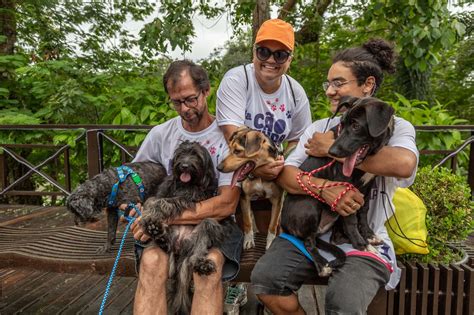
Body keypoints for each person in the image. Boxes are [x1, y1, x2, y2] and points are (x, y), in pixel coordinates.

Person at [251, 39, 419, 314]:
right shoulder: (319, 128)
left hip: (364, 236)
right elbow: (286, 175)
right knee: (266, 283)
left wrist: (332, 148)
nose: (330, 91)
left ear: (367, 85)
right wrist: (324, 188)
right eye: (327, 84)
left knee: (343, 302)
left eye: (338, 83)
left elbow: (403, 164)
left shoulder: (395, 126)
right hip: (312, 232)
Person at [124, 60, 243, 314]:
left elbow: (226, 203)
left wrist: (163, 215)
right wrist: (133, 207)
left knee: (207, 268)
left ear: (206, 90)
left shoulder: (227, 138)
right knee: (152, 261)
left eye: (190, 99)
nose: (185, 108)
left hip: (214, 226)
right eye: (177, 102)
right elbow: (133, 180)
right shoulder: (160, 134)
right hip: (165, 228)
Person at [216, 18, 312, 180]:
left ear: (290, 59)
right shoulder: (237, 80)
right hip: (232, 159)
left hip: (273, 166)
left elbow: (299, 140)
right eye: (263, 52)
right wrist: (255, 167)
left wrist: (283, 164)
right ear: (254, 52)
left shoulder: (296, 93)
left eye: (280, 55)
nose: (271, 60)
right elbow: (231, 133)